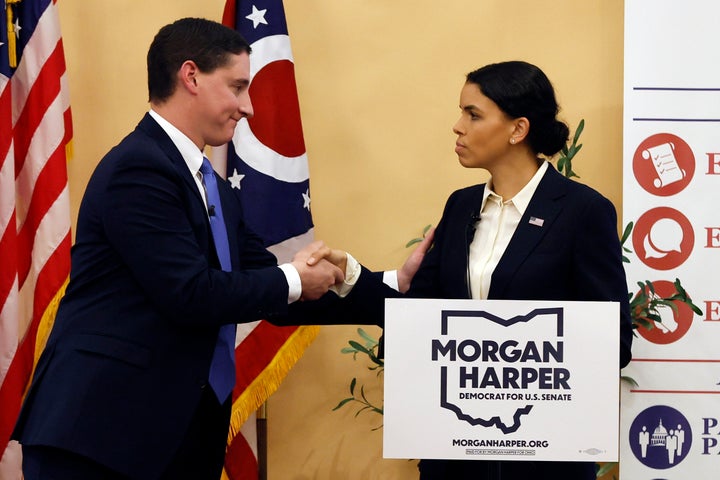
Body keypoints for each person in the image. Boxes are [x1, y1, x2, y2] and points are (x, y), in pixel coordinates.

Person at [11, 17, 429, 480]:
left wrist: (387, 284)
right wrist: (294, 277)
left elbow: (271, 292)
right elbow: (189, 293)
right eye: (237, 87)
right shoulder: (138, 169)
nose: (248, 107)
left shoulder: (215, 189)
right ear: (190, 76)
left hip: (176, 437)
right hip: (100, 436)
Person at [316, 60, 633, 480]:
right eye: (461, 112)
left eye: (473, 114)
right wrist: (352, 275)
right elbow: (420, 312)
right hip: (455, 459)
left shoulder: (583, 211)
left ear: (518, 130)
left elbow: (614, 340)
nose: (457, 126)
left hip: (544, 463)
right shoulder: (461, 205)